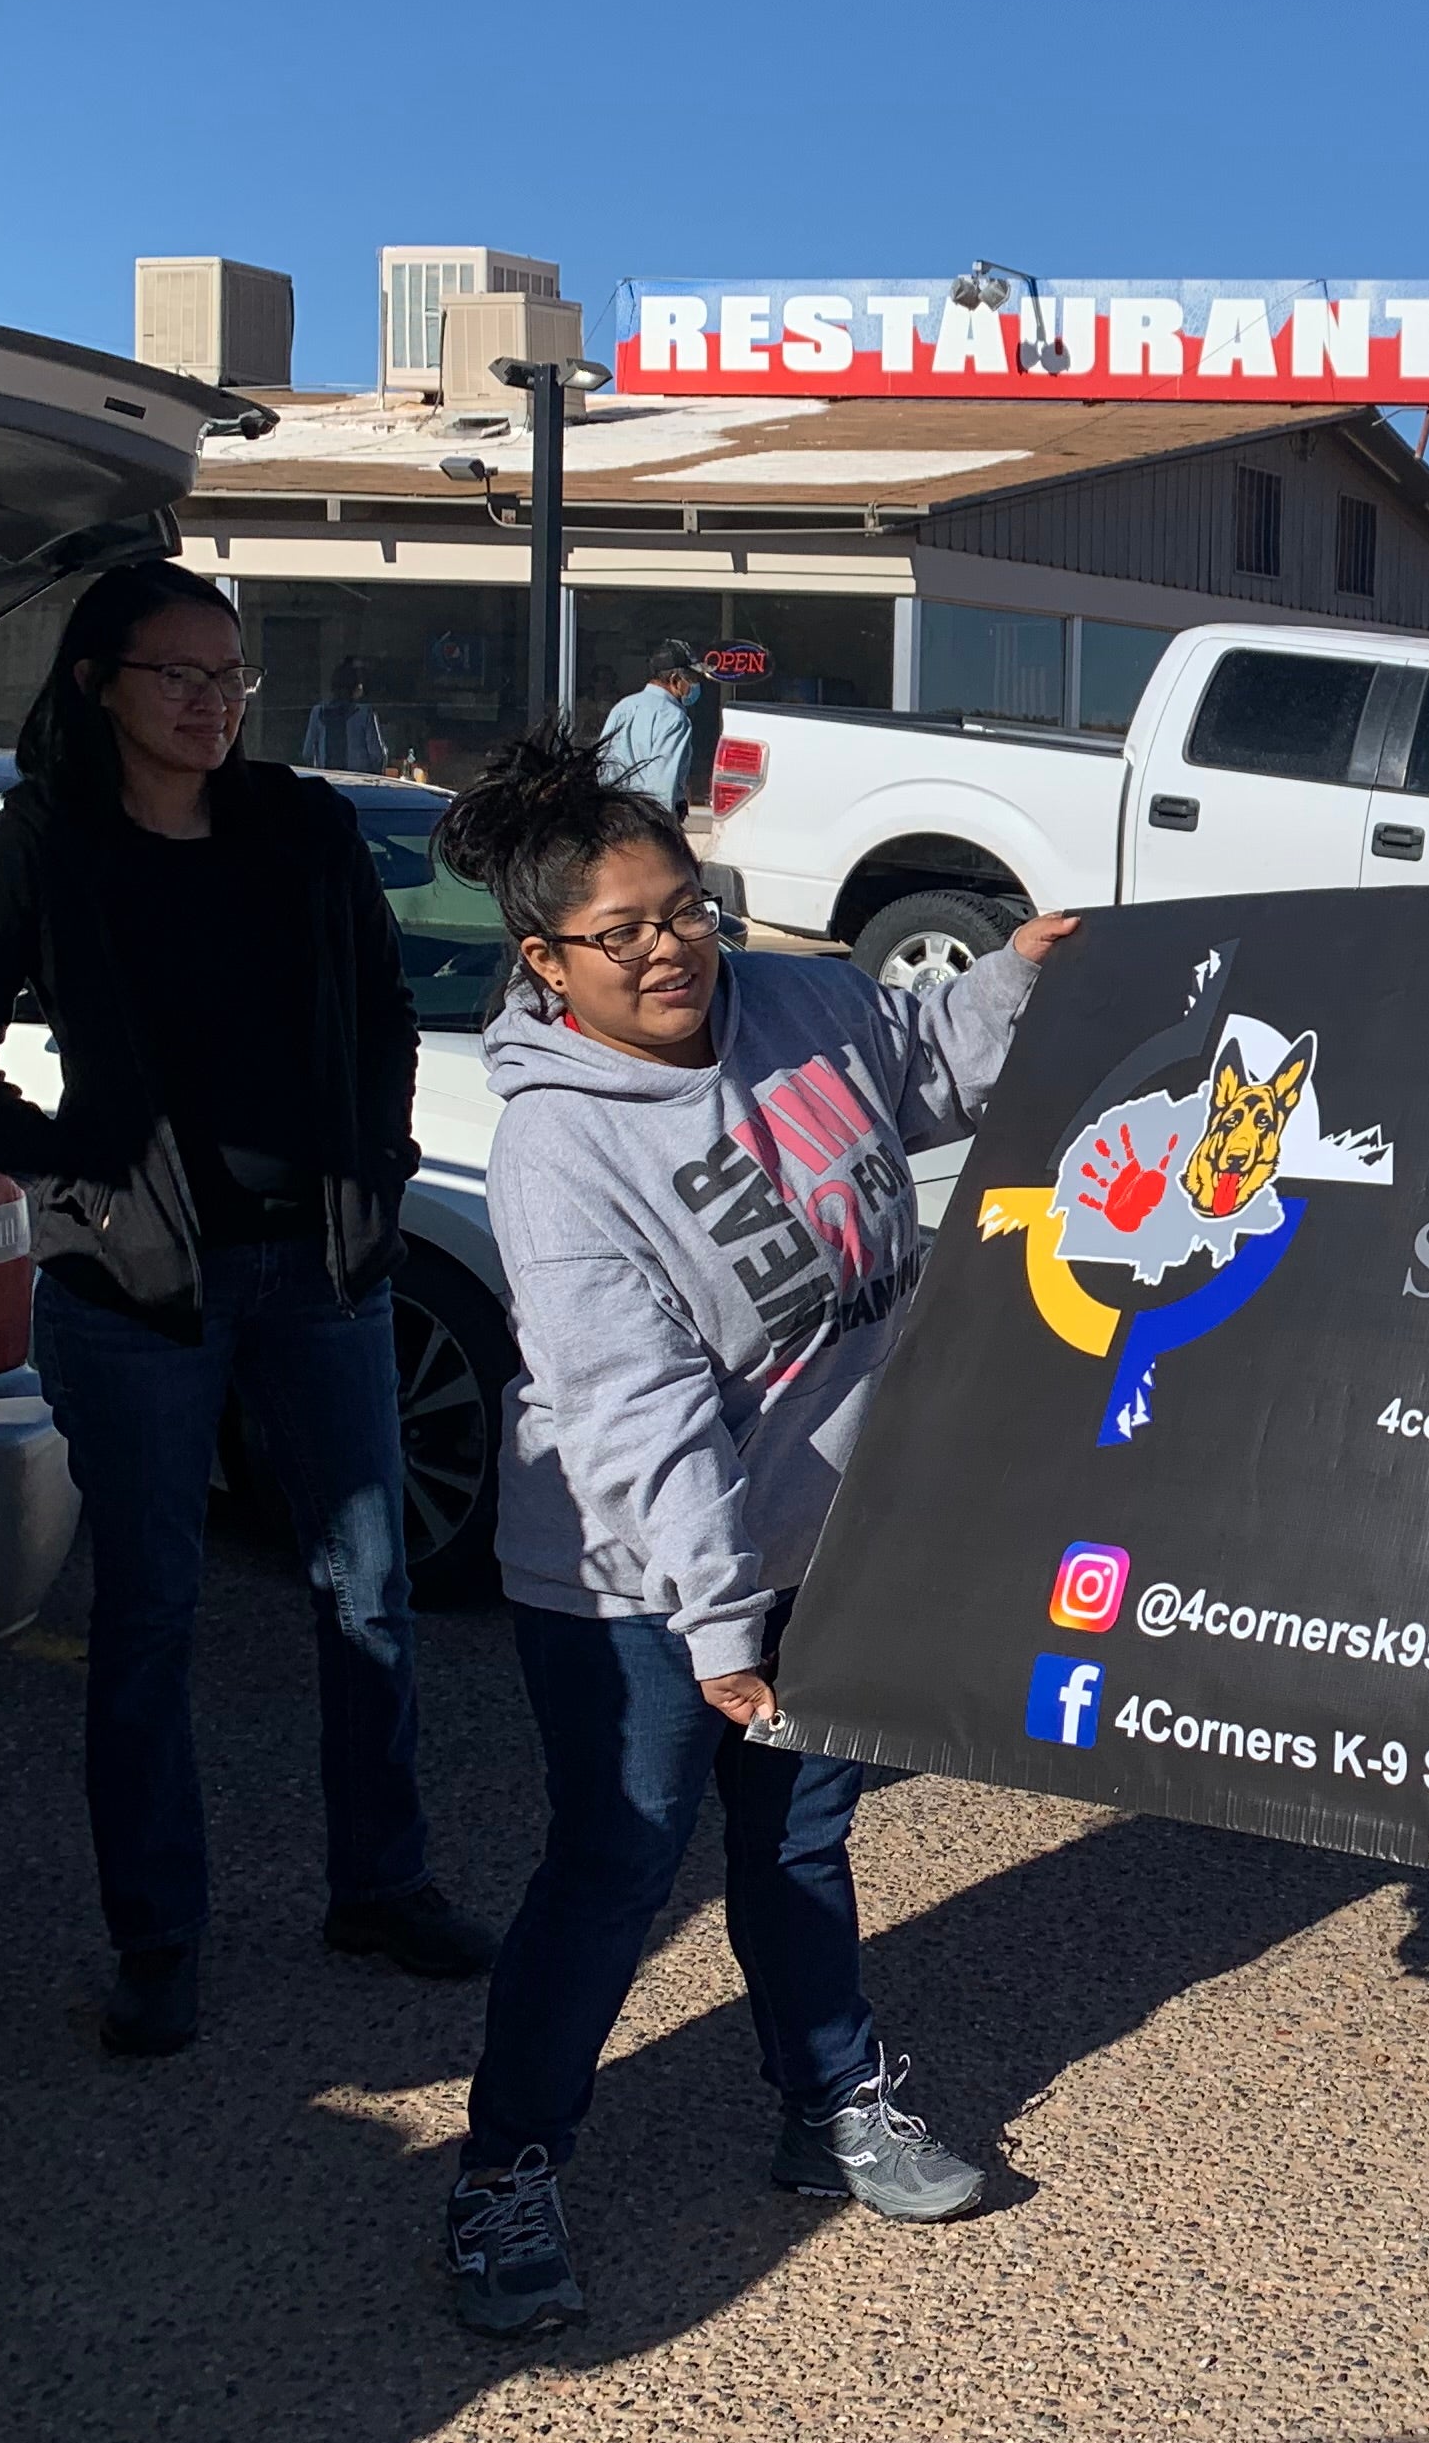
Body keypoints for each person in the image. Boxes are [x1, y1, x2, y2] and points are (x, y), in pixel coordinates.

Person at [428, 717, 1077, 2337]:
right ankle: (504, 2163)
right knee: (617, 1857)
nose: (671, 951)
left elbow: (923, 1058)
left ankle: (828, 2098)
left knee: (796, 1834)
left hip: (818, 1531)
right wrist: (718, 1628)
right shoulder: (562, 1148)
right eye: (623, 931)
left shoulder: (792, 999)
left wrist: (1018, 975)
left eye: (687, 909)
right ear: (545, 958)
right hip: (634, 1577)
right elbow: (637, 1414)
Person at [0, 562, 492, 2058]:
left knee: (369, 1595)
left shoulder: (300, 825)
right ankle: (157, 1935)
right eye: (181, 676)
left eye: (233, 678)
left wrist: (380, 1164)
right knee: (151, 1618)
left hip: (323, 1273)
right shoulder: (43, 841)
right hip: (137, 1291)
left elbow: (378, 1016)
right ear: (100, 678)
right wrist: (72, 1177)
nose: (215, 703)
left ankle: (383, 1882)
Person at [593, 639, 704, 809]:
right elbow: (662, 786)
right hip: (649, 821)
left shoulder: (623, 707)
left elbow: (603, 766)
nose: (694, 685)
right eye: (691, 679)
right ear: (675, 680)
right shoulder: (674, 718)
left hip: (614, 814)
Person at [300, 657, 392, 776]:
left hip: (328, 782)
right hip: (359, 784)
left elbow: (307, 753)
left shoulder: (318, 713)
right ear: (357, 687)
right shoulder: (364, 714)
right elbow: (377, 755)